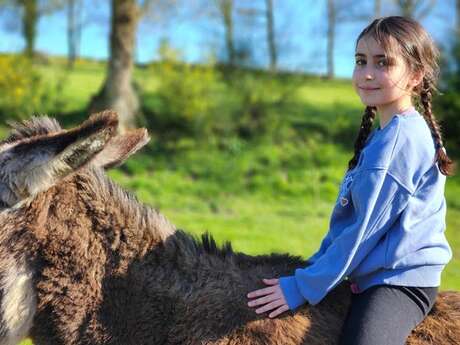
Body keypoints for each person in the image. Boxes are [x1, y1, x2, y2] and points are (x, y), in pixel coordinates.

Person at [246, 16, 454, 345]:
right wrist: (313, 267)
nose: (367, 72)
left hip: (399, 281)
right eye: (361, 61)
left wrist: (302, 286)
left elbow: (362, 233)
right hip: (372, 271)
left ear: (415, 75)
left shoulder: (401, 142)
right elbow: (349, 222)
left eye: (383, 62)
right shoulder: (385, 135)